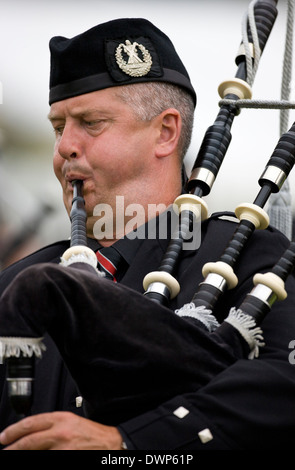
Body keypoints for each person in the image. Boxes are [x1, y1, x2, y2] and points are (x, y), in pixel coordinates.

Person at [0, 18, 295, 451]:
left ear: (165, 132)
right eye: (59, 128)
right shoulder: (16, 283)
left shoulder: (252, 262)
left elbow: (283, 392)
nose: (64, 147)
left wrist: (127, 444)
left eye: (91, 122)